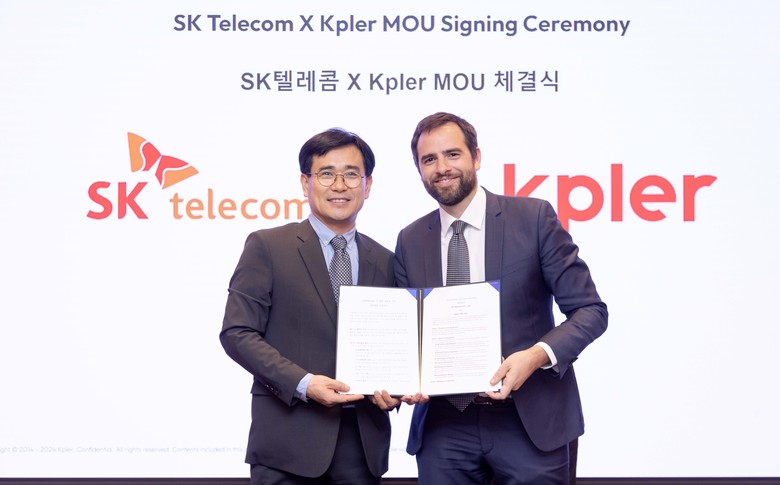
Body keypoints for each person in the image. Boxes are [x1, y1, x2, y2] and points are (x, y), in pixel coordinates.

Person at [396, 112, 608, 484]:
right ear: (419, 170)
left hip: (528, 419)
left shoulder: (533, 218)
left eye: (453, 154)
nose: (442, 168)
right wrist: (400, 377)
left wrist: (536, 355)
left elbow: (590, 311)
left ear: (476, 157)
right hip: (444, 428)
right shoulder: (410, 240)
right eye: (429, 160)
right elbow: (406, 333)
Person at [220, 128, 400, 485]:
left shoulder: (386, 260)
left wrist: (396, 387)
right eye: (327, 174)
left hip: (362, 448)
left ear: (367, 186)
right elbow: (237, 333)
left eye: (352, 174)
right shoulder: (268, 246)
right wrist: (304, 383)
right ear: (306, 183)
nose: (340, 185)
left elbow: (395, 344)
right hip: (287, 445)